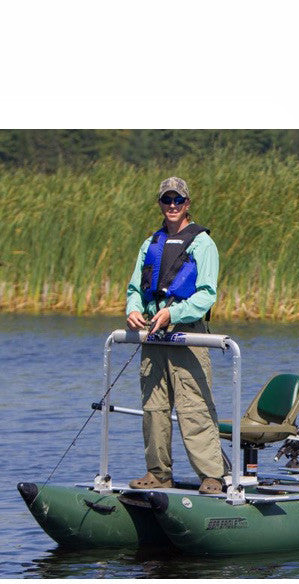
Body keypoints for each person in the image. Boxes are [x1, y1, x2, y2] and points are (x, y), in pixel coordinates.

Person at [126, 176, 225, 494]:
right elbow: (134, 288)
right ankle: (158, 473)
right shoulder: (150, 243)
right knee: (153, 408)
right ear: (160, 203)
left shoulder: (202, 244)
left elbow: (206, 294)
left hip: (187, 335)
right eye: (166, 200)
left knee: (193, 406)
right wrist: (133, 309)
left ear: (187, 205)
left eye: (178, 200)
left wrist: (174, 313)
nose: (172, 206)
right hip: (152, 334)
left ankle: (211, 476)